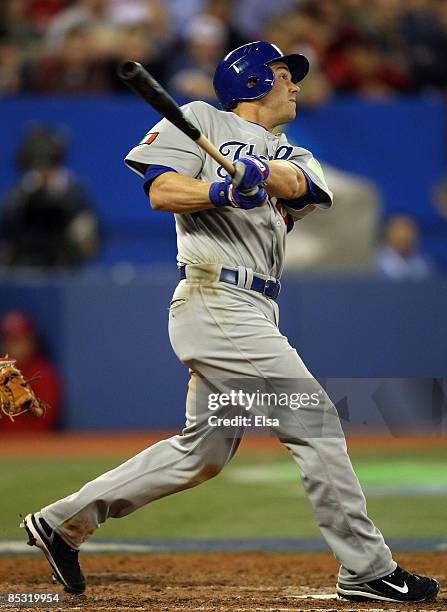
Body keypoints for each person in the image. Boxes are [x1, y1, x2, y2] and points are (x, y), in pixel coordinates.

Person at [21, 41, 439, 604]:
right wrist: (218, 188)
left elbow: (300, 187)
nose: (294, 83)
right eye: (283, 73)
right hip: (215, 300)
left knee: (203, 453)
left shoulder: (296, 152)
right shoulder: (199, 119)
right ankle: (365, 569)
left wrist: (256, 173)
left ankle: (61, 522)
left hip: (256, 309)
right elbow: (162, 190)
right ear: (249, 81)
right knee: (314, 419)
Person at [0, 125, 100, 269]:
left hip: (64, 262)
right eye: (36, 160)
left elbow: (92, 237)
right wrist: (30, 194)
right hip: (22, 264)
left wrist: (59, 198)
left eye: (50, 160)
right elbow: (8, 229)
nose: (43, 169)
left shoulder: (73, 191)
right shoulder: (18, 194)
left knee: (83, 227)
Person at [0, 310, 61, 432]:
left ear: (31, 340)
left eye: (19, 339)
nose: (15, 346)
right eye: (10, 340)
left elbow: (42, 420)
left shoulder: (43, 374)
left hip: (34, 445)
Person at [375, 214, 433, 279]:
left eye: (408, 228)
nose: (403, 235)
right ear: (387, 233)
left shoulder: (422, 263)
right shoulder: (375, 264)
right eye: (398, 228)